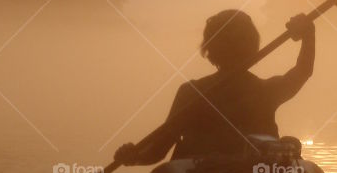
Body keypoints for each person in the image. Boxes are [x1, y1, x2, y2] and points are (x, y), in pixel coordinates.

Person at [113, 9, 315, 164]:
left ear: (209, 51)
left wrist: (134, 157)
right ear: (253, 49)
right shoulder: (264, 91)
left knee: (290, 144)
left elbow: (157, 152)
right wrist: (308, 34)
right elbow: (303, 71)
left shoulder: (191, 93)